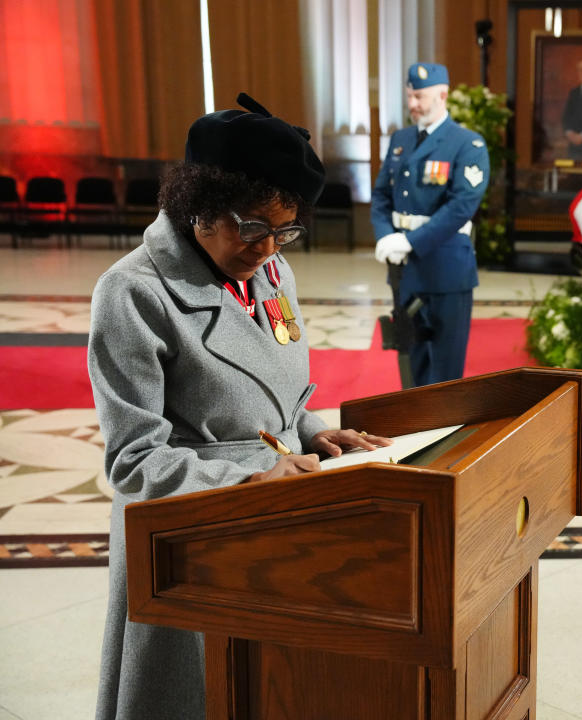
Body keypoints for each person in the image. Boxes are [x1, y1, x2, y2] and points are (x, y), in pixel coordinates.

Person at [89, 93, 392, 720]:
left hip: (273, 520)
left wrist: (310, 432)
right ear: (196, 203)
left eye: (286, 230)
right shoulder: (134, 292)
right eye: (253, 226)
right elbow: (133, 462)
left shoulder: (270, 269)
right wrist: (251, 475)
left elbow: (277, 386)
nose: (268, 247)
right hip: (188, 535)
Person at [371, 62, 490, 387]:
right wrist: (385, 236)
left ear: (442, 95)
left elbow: (461, 206)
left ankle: (446, 432)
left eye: (419, 96)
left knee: (446, 368)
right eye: (409, 96)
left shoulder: (468, 144)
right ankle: (415, 428)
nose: (412, 104)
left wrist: (410, 241)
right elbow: (381, 195)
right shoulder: (401, 139)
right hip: (405, 269)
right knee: (410, 358)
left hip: (446, 267)